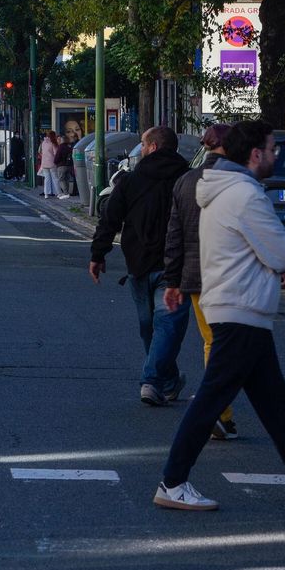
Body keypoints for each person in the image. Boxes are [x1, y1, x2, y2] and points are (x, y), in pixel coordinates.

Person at [154, 120, 285, 512]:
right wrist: (282, 251)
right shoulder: (244, 195)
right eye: (273, 149)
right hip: (241, 307)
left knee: (273, 401)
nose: (277, 156)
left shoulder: (223, 190)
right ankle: (172, 482)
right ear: (255, 154)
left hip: (241, 307)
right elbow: (282, 252)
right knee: (210, 401)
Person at [90, 127, 192, 407]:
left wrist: (98, 254)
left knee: (151, 327)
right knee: (165, 327)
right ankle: (167, 380)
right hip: (177, 266)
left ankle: (151, 380)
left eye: (143, 145)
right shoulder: (188, 180)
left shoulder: (130, 181)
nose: (141, 149)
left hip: (140, 264)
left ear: (154, 147)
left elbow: (109, 219)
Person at [160, 123, 238, 439]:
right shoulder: (238, 180)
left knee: (213, 342)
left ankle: (219, 411)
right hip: (231, 275)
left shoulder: (186, 181)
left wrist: (172, 280)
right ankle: (217, 411)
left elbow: (174, 236)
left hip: (195, 276)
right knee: (232, 345)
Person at [38, 131, 61, 198]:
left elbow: (41, 152)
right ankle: (58, 193)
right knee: (55, 178)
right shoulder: (53, 143)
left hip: (44, 163)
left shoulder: (43, 143)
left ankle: (46, 194)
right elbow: (55, 153)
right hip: (52, 163)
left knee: (47, 179)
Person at [55, 134, 75, 198]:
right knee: (66, 179)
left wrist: (56, 162)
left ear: (62, 140)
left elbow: (57, 157)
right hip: (69, 165)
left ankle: (66, 193)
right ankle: (66, 192)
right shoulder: (69, 147)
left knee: (61, 179)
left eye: (59, 139)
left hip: (61, 165)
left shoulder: (61, 147)